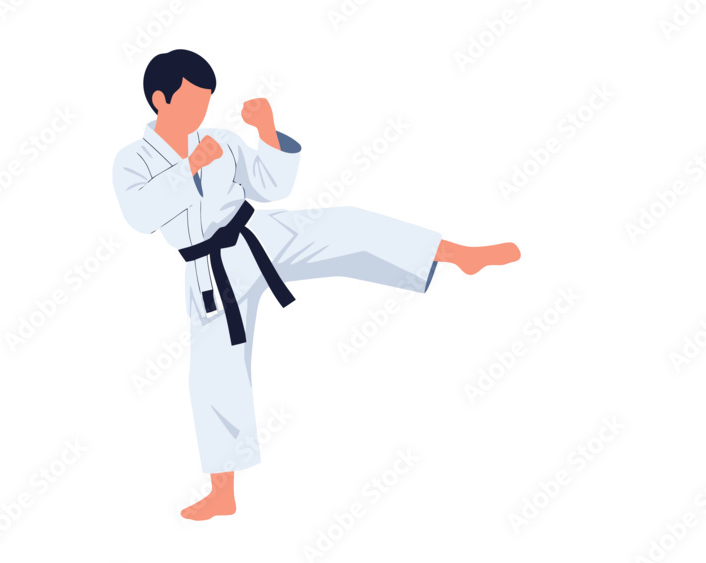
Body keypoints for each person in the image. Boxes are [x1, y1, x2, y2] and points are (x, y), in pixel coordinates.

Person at [112, 49, 520, 520]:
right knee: (215, 375)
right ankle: (222, 492)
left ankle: (457, 255)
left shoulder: (220, 140)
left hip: (257, 234)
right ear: (160, 99)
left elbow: (269, 186)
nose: (200, 112)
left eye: (205, 101)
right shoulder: (131, 160)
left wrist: (267, 132)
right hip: (208, 271)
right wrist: (187, 169)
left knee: (345, 225)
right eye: (190, 102)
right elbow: (140, 216)